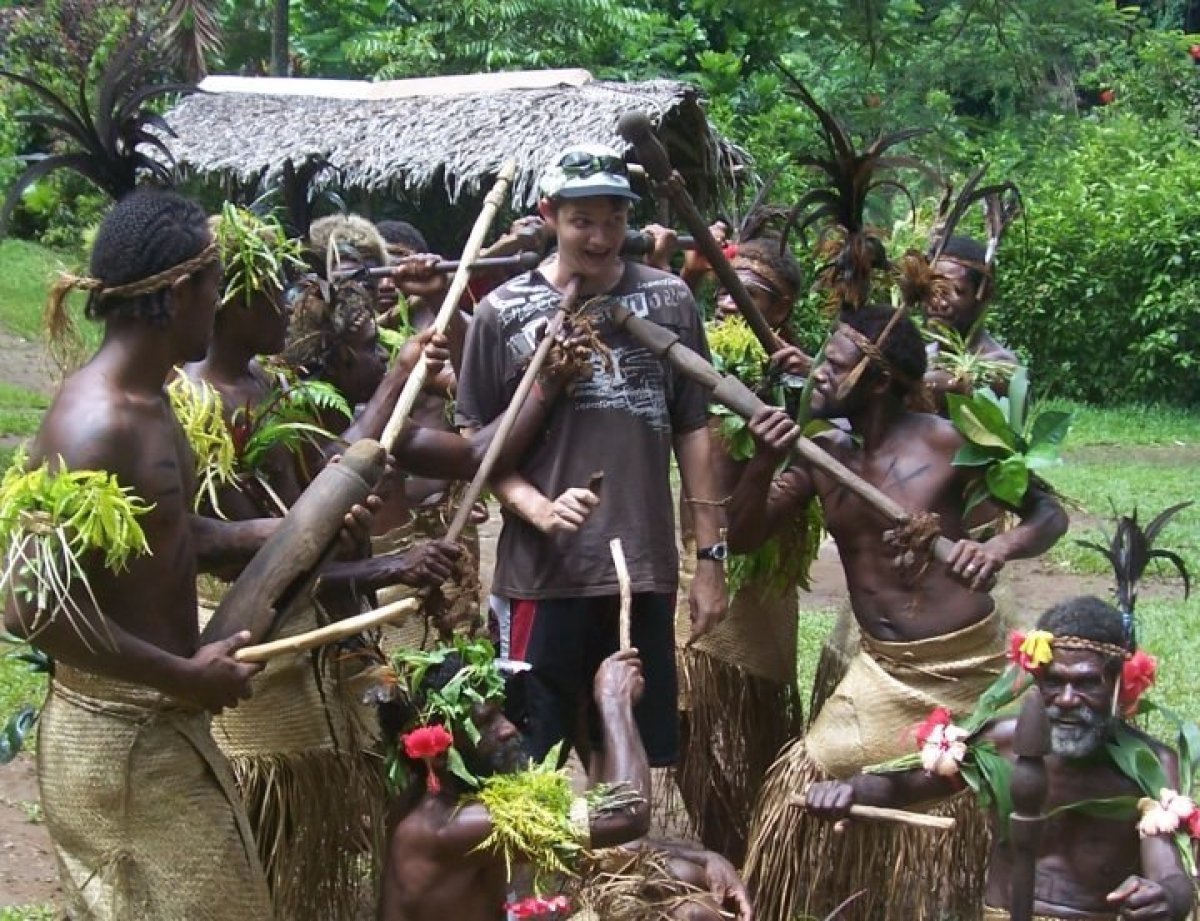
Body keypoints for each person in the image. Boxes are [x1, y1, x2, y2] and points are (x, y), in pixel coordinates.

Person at [1, 188, 362, 920]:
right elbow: (30, 603)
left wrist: (285, 533)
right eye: (213, 284)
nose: (219, 301)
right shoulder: (96, 421)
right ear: (176, 292)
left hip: (163, 724)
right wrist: (182, 673)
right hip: (120, 743)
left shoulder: (152, 400)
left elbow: (167, 539)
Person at [731, 304, 1068, 920]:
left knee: (975, 791)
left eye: (834, 367)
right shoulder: (819, 453)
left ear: (879, 379)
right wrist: (760, 460)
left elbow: (1050, 515)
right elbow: (744, 534)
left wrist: (995, 547)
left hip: (967, 669)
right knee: (806, 783)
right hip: (881, 670)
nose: (818, 378)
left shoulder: (948, 443)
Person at [455, 143, 728, 772]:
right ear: (549, 214)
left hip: (640, 569)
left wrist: (710, 560)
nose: (601, 237)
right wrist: (535, 507)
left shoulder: (668, 302)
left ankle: (621, 869)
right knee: (528, 762)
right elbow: (476, 439)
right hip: (540, 576)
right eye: (583, 221)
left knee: (624, 750)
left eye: (614, 220)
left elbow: (694, 428)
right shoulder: (502, 312)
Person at [806, 595, 1195, 921]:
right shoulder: (999, 744)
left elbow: (1169, 869)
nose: (1066, 699)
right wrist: (847, 790)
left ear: (1118, 685)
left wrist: (1165, 897)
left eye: (1086, 683)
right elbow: (903, 786)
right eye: (1054, 682)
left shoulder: (1151, 766)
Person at [379, 643, 752, 921]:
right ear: (438, 751)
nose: (508, 729)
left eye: (501, 715)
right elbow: (628, 814)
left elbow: (603, 841)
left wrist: (703, 856)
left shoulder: (459, 797)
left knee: (685, 878)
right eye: (486, 723)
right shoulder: (448, 826)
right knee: (691, 915)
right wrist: (613, 701)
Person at [675, 234, 817, 863]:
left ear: (780, 309)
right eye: (728, 294)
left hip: (759, 568)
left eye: (750, 297)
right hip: (692, 553)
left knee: (754, 718)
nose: (732, 309)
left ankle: (761, 842)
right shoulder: (699, 358)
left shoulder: (801, 378)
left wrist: (801, 385)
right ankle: (717, 832)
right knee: (682, 716)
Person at [916, 235, 1019, 406]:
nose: (937, 303)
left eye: (954, 290)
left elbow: (944, 386)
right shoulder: (924, 357)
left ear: (984, 295)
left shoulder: (1002, 367)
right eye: (931, 290)